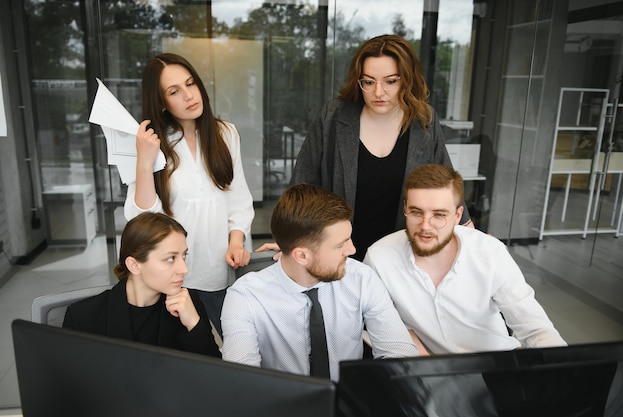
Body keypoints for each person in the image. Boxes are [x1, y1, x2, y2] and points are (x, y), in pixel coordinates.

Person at [291, 34, 473, 261]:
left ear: (407, 80)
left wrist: (467, 230)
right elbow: (301, 185)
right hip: (340, 253)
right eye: (368, 82)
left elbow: (445, 181)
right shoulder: (333, 117)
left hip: (401, 255)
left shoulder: (423, 121)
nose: (378, 92)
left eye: (390, 81)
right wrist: (291, 239)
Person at [221, 184, 419, 381]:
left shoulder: (362, 278)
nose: (351, 250)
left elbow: (399, 354)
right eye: (340, 245)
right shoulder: (245, 296)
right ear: (301, 255)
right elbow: (242, 380)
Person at [363, 164, 567, 355]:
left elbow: (534, 328)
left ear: (458, 214)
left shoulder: (489, 252)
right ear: (405, 208)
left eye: (439, 215)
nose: (426, 225)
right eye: (417, 212)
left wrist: (569, 371)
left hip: (496, 366)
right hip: (427, 372)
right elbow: (379, 326)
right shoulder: (380, 257)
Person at [124, 53, 254, 338]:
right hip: (173, 274)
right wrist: (144, 162)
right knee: (186, 351)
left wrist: (236, 241)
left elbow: (238, 197)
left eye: (191, 84)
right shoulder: (150, 144)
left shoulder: (225, 133)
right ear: (161, 102)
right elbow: (143, 219)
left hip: (219, 266)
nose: (188, 95)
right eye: (174, 91)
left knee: (235, 343)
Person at [63, 212, 220, 357]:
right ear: (134, 265)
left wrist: (194, 324)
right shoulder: (83, 317)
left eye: (184, 255)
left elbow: (217, 376)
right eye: (170, 258)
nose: (184, 269)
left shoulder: (189, 303)